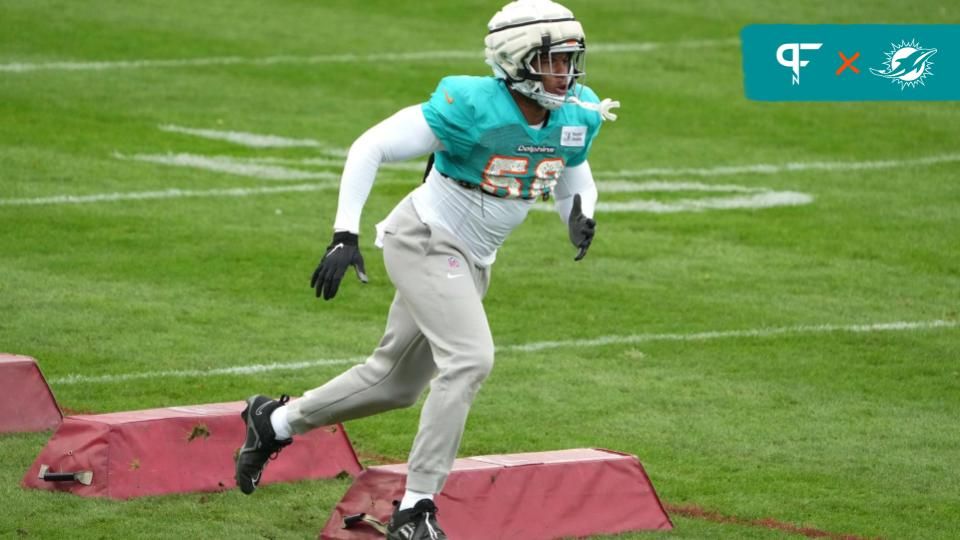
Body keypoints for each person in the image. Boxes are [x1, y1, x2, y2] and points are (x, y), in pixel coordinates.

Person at [235, 0, 618, 537]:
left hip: (472, 256)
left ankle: (272, 422)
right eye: (555, 60)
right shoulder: (472, 104)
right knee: (469, 359)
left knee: (394, 384)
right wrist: (344, 232)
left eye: (571, 60)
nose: (567, 73)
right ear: (517, 59)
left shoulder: (577, 111)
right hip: (426, 238)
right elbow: (370, 146)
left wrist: (579, 211)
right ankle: (416, 507)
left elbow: (570, 169)